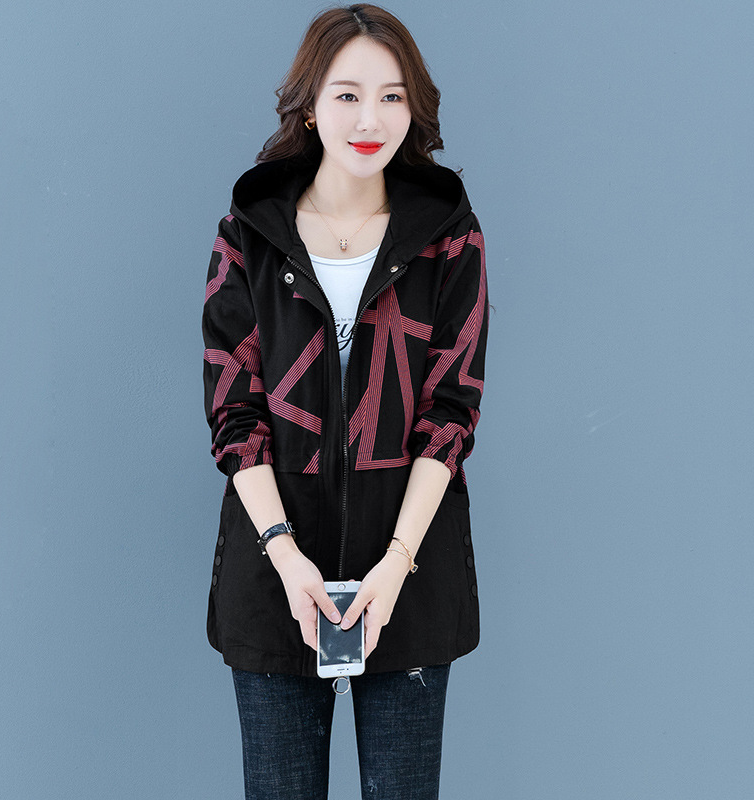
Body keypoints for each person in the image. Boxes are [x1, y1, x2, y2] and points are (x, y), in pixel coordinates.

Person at [201, 5, 489, 798]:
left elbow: (450, 415)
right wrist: (285, 555)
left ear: (415, 108)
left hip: (409, 578)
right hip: (275, 578)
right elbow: (235, 415)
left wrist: (396, 564)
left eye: (393, 97)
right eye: (348, 95)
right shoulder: (250, 234)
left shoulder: (449, 234)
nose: (371, 120)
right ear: (309, 105)